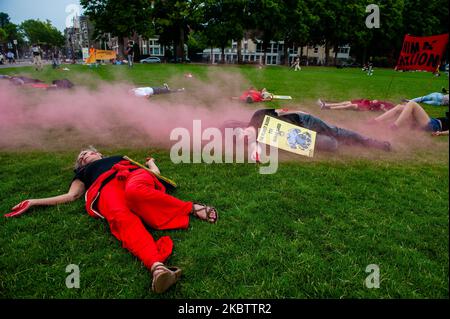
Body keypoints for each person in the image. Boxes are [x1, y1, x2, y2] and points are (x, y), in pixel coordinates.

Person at [5, 148, 218, 293]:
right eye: (82, 156)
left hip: (132, 176)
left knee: (135, 192)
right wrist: (34, 201)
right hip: (105, 189)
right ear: (80, 164)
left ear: (98, 153)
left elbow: (153, 173)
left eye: (88, 152)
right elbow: (71, 196)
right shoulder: (83, 174)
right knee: (120, 218)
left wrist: (152, 162)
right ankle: (158, 268)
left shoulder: (120, 158)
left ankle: (191, 207)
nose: (85, 155)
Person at [236, 108, 392, 153]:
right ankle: (350, 142)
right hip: (304, 140)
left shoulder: (258, 115)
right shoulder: (259, 142)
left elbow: (282, 110)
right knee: (332, 145)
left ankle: (374, 143)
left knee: (336, 131)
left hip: (305, 121)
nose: (247, 137)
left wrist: (301, 113)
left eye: (244, 134)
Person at [369, 101, 449, 135]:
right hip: (429, 123)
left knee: (412, 103)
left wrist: (440, 133)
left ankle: (395, 126)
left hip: (433, 126)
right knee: (400, 107)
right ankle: (375, 121)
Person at [317, 98, 396, 112]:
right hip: (366, 102)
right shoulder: (393, 105)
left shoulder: (392, 108)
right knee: (346, 102)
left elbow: (385, 110)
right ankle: (326, 104)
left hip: (367, 107)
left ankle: (326, 107)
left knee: (348, 105)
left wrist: (382, 107)